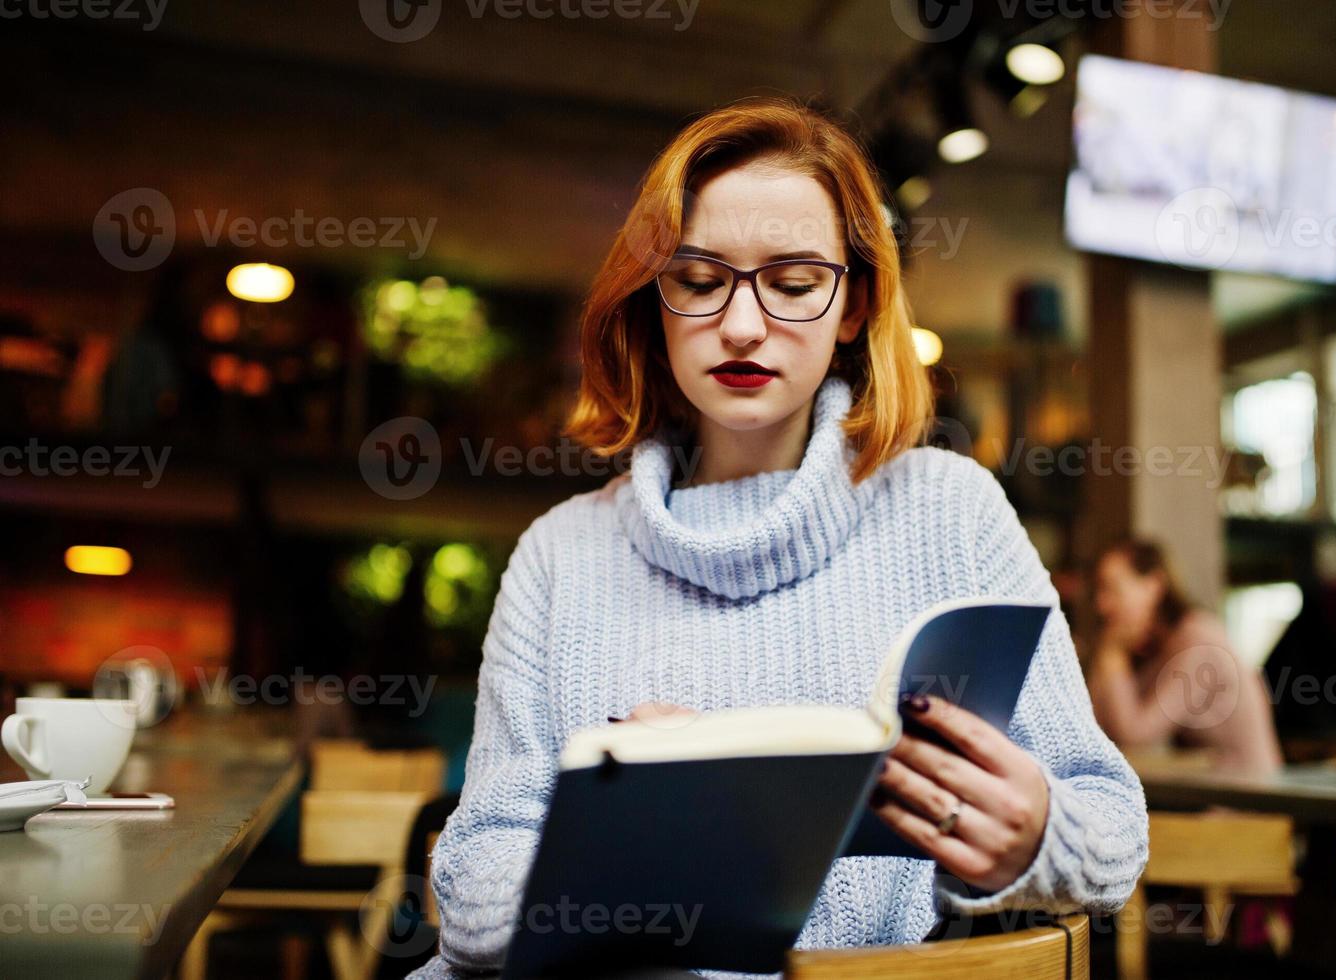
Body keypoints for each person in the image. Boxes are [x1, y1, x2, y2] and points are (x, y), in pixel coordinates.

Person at [412, 97, 1147, 979]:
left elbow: (1109, 832)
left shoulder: (949, 513)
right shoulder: (559, 556)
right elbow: (472, 902)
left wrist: (1030, 839)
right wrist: (662, 838)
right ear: (653, 299)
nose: (743, 325)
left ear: (851, 306)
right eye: (697, 279)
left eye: (794, 283)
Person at [1087, 538, 1283, 776]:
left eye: (1112, 589)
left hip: (1247, 801)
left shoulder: (1197, 643)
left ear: (1154, 586)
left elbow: (1134, 736)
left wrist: (1111, 657)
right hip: (1207, 790)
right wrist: (1107, 659)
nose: (1102, 605)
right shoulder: (1158, 648)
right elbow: (1095, 728)